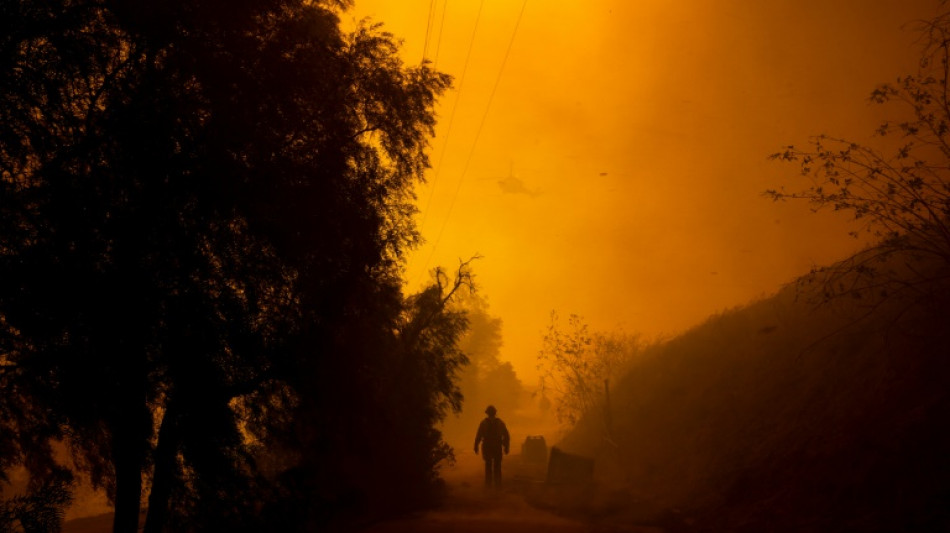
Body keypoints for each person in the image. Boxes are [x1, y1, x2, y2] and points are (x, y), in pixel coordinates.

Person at [474, 404, 510, 489]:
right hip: (497, 446)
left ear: (487, 413)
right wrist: (506, 446)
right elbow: (506, 436)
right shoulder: (500, 423)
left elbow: (478, 436)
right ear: (495, 413)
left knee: (488, 465)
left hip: (487, 446)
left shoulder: (483, 423)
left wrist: (476, 446)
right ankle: (498, 485)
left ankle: (488, 485)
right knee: (497, 466)